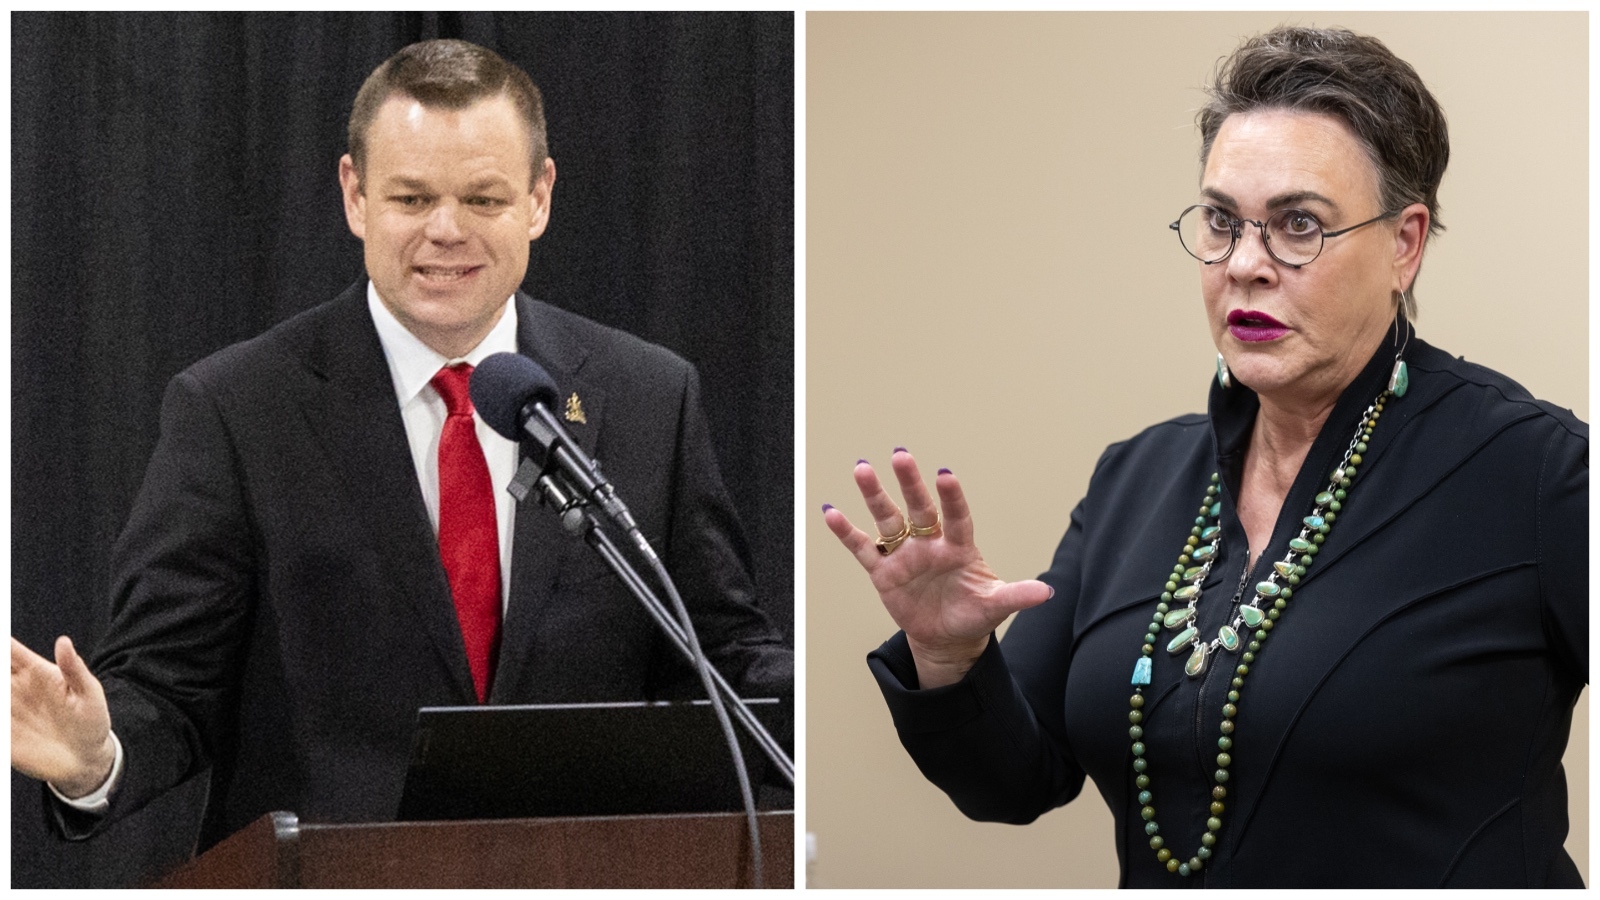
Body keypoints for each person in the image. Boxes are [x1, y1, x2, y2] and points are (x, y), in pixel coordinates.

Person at [824, 26, 1585, 888]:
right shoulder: (1136, 479)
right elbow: (1014, 780)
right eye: (1222, 222)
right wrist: (948, 657)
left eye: (1299, 225)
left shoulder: (1537, 473)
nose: (1245, 265)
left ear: (1404, 245)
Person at [11, 38, 791, 856]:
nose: (445, 231)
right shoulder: (238, 409)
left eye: (483, 199)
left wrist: (881, 659)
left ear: (538, 198)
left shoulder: (648, 397)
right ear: (355, 195)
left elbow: (721, 663)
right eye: (412, 198)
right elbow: (167, 687)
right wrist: (97, 758)